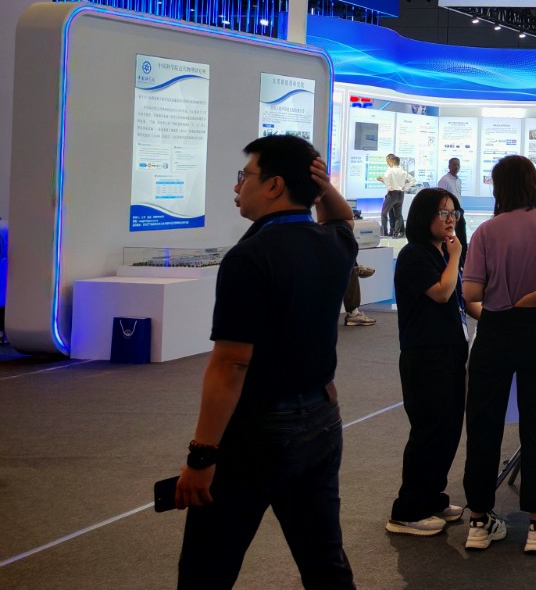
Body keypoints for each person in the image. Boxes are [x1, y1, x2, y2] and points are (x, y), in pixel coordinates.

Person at [174, 135, 358, 588]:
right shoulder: (334, 244)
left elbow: (230, 364)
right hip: (322, 419)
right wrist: (323, 188)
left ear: (274, 185)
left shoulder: (250, 257)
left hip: (258, 431)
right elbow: (343, 218)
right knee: (324, 561)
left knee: (207, 566)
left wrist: (202, 454)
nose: (237, 187)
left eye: (245, 176)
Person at [460, 155, 536, 554]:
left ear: (498, 187)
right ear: (533, 182)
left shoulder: (486, 230)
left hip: (495, 330)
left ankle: (479, 521)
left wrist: (503, 292)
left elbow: (471, 292)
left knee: (483, 425)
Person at [387, 188, 469, 536]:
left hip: (450, 350)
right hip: (424, 355)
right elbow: (442, 293)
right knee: (428, 431)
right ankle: (407, 510)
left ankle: (432, 498)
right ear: (425, 217)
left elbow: (463, 301)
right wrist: (456, 256)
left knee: (448, 430)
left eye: (454, 214)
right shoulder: (414, 255)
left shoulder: (440, 253)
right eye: (443, 213)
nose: (451, 220)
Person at [381, 153, 413, 237]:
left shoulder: (390, 170)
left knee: (384, 213)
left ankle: (384, 232)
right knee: (398, 215)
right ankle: (396, 233)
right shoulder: (403, 172)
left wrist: (388, 186)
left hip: (392, 194)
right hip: (401, 194)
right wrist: (405, 187)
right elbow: (412, 180)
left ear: (392, 161)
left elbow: (386, 178)